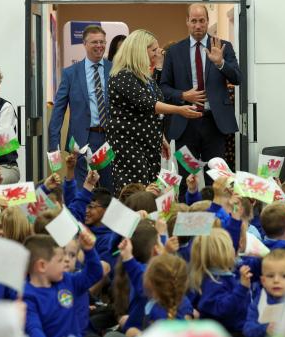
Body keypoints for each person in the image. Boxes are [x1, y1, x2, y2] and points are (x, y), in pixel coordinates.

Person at [159, 4, 241, 198]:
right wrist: (183, 96)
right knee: (187, 179)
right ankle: (188, 221)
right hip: (185, 124)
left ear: (207, 21)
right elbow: (163, 87)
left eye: (202, 20)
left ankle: (217, 221)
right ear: (187, 22)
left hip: (214, 123)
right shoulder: (174, 52)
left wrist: (220, 63)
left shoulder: (223, 46)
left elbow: (238, 78)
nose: (198, 25)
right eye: (193, 21)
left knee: (217, 180)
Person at [107, 29, 201, 195]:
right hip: (130, 145)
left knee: (151, 192)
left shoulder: (143, 76)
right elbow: (149, 104)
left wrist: (160, 137)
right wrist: (180, 110)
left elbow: (153, 110)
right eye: (154, 50)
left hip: (148, 144)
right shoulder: (123, 76)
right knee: (136, 194)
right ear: (140, 51)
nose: (158, 54)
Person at [49, 25, 114, 192]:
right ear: (84, 44)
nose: (99, 46)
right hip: (81, 141)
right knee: (82, 189)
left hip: (109, 139)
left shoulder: (114, 69)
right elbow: (58, 111)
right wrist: (53, 146)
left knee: (108, 189)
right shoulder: (70, 73)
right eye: (94, 42)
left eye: (102, 42)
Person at [23, 233, 103, 337]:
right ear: (42, 265)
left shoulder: (67, 280)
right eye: (60, 260)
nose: (66, 261)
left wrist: (89, 251)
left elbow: (95, 273)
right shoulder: (27, 296)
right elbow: (33, 328)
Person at [189, 228, 251, 335]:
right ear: (222, 254)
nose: (234, 248)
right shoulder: (212, 283)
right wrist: (242, 288)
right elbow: (223, 309)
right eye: (231, 246)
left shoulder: (223, 274)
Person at [242, 249, 285, 337]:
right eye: (270, 276)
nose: (276, 280)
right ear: (263, 281)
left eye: (284, 276)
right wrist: (265, 328)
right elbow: (247, 329)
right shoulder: (259, 301)